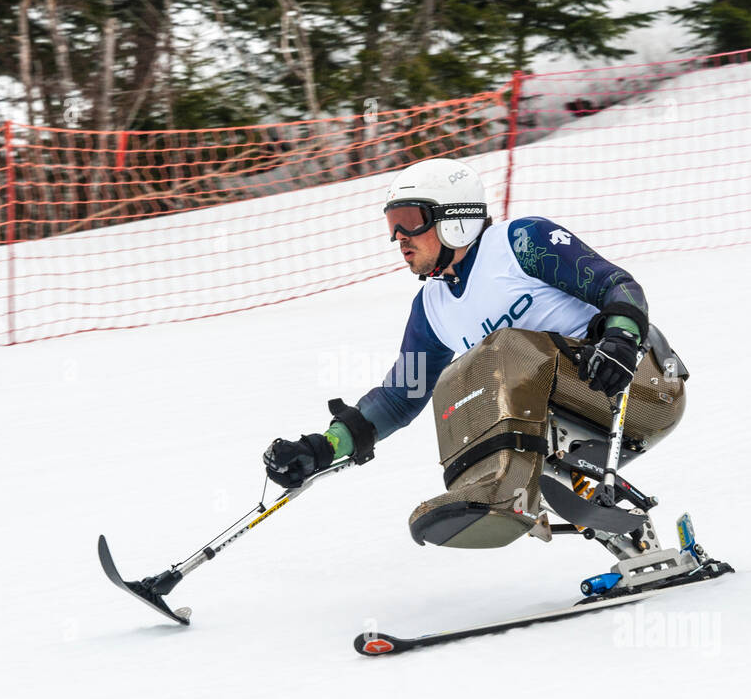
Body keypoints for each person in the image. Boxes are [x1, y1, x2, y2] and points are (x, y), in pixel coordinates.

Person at [263, 156, 650, 492]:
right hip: (560, 425)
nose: (400, 238)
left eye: (411, 221)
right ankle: (507, 493)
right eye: (392, 225)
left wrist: (620, 340)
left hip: (632, 384)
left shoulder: (519, 242)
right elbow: (401, 395)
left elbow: (615, 285)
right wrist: (325, 446)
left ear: (457, 219)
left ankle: (502, 483)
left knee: (499, 352)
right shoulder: (431, 308)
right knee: (463, 382)